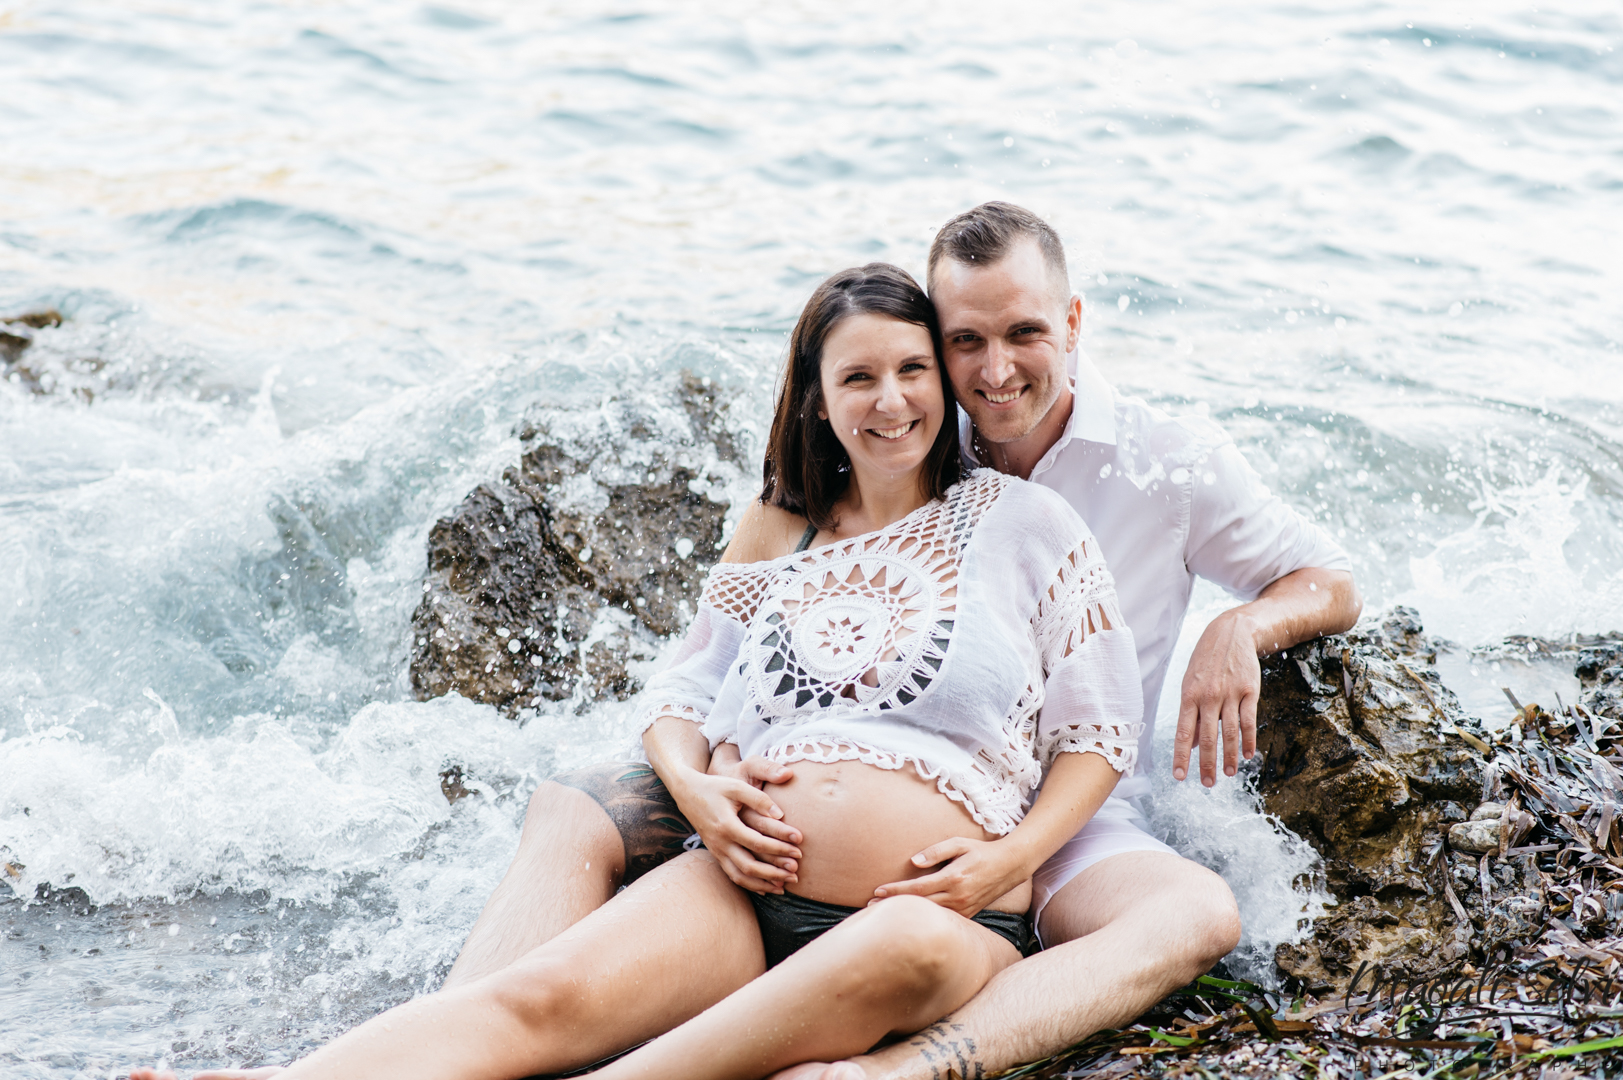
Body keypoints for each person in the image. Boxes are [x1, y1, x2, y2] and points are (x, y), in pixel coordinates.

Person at [130, 262, 1147, 1080]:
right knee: (536, 1001)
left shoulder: (1027, 525)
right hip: (742, 894)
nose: (891, 401)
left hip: (942, 919)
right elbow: (681, 692)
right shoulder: (780, 529)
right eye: (857, 378)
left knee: (898, 945)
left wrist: (1006, 863)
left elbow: (1098, 735)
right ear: (817, 399)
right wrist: (699, 794)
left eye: (912, 369)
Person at [441, 203, 1361, 1080]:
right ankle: (460, 1038)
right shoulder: (907, 424)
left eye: (1025, 333)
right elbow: (748, 619)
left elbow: (1329, 579)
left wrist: (1239, 625)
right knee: (575, 805)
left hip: (1059, 810)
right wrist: (711, 764)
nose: (994, 371)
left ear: (1073, 322)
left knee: (1193, 914)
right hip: (834, 763)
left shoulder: (1167, 464)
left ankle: (900, 1068)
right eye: (965, 342)